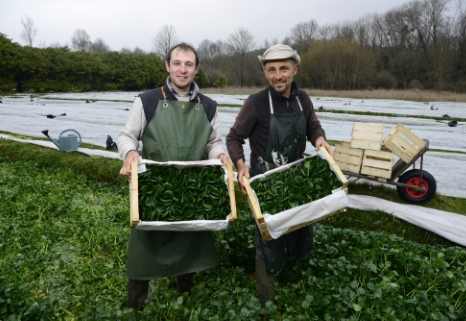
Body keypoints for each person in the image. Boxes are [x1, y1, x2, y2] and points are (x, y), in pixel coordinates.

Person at [117, 42, 229, 311]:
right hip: (154, 188)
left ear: (196, 69)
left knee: (188, 238)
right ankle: (136, 303)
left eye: (188, 64)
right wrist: (130, 153)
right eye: (177, 63)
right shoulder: (147, 101)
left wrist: (221, 156)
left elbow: (214, 142)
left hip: (192, 188)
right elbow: (126, 136)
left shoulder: (209, 106)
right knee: (144, 245)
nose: (183, 69)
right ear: (167, 66)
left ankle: (184, 294)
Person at [226, 44, 333, 307]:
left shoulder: (303, 99)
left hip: (295, 179)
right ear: (265, 72)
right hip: (265, 182)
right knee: (268, 240)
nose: (278, 76)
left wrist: (319, 140)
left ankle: (287, 276)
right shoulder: (255, 103)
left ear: (294, 69)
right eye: (271, 70)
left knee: (297, 229)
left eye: (284, 68)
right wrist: (241, 165)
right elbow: (234, 138)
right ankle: (267, 302)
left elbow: (313, 126)